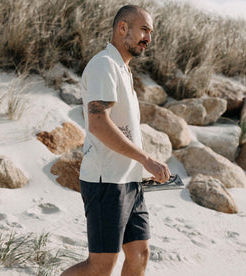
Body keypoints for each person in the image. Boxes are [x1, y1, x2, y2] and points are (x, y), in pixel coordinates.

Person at [61, 5, 170, 276]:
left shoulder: (123, 69)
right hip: (105, 181)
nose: (148, 38)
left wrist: (141, 168)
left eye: (151, 32)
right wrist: (146, 159)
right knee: (100, 267)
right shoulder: (104, 65)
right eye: (144, 29)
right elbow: (98, 124)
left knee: (139, 254)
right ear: (122, 27)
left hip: (129, 180)